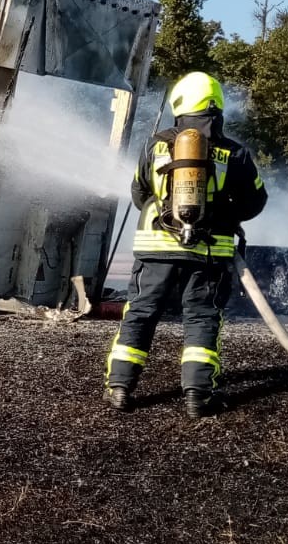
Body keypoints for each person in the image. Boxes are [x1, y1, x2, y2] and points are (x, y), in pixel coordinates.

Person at [105, 72, 267, 418]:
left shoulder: (155, 144)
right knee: (202, 320)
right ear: (217, 106)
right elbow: (256, 202)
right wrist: (223, 211)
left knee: (141, 314)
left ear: (179, 104)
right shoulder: (235, 153)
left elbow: (138, 193)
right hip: (208, 255)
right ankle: (197, 397)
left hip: (155, 250)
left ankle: (120, 388)